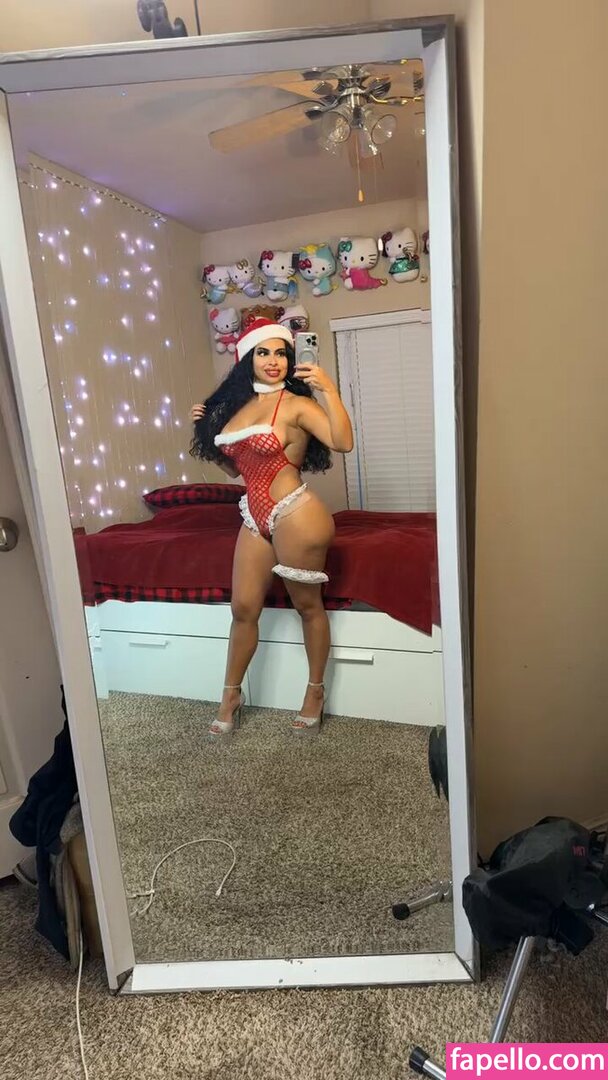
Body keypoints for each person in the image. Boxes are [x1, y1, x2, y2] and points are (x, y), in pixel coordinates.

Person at [189, 317, 353, 738]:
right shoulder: (237, 410)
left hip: (295, 512)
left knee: (307, 607)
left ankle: (315, 692)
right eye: (264, 352)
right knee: (243, 609)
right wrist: (204, 429)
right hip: (254, 514)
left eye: (281, 352)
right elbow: (234, 469)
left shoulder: (296, 404)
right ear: (248, 358)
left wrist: (329, 391)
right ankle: (231, 695)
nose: (274, 360)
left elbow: (343, 442)